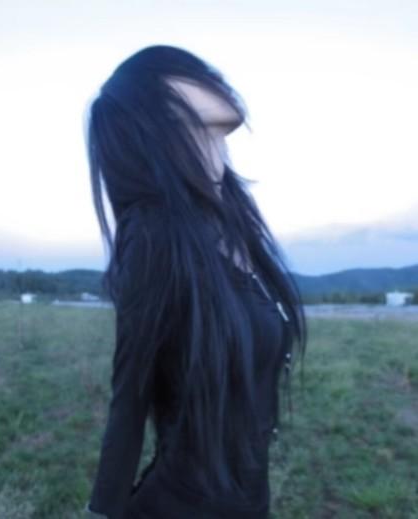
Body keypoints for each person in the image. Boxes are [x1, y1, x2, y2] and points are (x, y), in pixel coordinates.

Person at [82, 44, 308, 519]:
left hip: (249, 504)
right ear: (156, 122)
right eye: (185, 79)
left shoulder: (232, 225)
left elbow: (231, 109)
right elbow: (129, 397)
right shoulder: (154, 233)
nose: (212, 83)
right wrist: (102, 512)